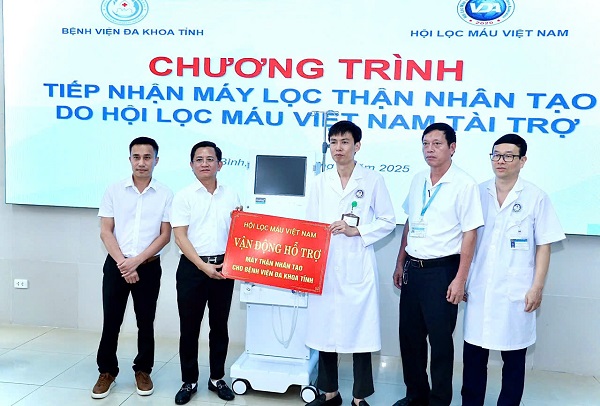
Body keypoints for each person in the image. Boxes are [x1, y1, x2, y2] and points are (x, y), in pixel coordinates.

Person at [461, 133, 565, 406]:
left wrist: (537, 287)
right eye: (496, 155)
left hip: (516, 291)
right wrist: (462, 279)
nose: (501, 161)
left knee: (514, 358)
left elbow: (544, 246)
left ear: (522, 161)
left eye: (509, 156)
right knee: (474, 357)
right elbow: (466, 240)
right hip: (479, 286)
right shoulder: (477, 193)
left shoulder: (535, 197)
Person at [392, 123, 484, 406]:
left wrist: (460, 279)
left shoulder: (465, 184)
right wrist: (400, 261)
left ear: (452, 148)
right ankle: (415, 396)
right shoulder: (418, 179)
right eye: (425, 144)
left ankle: (439, 400)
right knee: (410, 339)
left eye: (437, 144)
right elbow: (411, 221)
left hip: (442, 272)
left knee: (441, 342)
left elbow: (470, 233)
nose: (429, 149)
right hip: (413, 269)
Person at [305, 120, 396, 406]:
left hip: (358, 264)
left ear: (357, 146)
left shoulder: (372, 180)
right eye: (333, 142)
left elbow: (388, 220)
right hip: (326, 266)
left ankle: (359, 397)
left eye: (344, 142)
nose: (338, 148)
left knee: (361, 334)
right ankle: (329, 393)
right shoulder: (320, 182)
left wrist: (357, 230)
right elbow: (309, 226)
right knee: (325, 332)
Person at [92, 137, 173, 399]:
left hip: (148, 267)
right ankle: (107, 372)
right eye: (136, 157)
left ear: (156, 161)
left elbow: (165, 235)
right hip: (116, 264)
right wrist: (124, 264)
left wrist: (136, 262)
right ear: (130, 160)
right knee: (111, 321)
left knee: (145, 322)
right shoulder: (114, 190)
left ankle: (143, 370)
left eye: (147, 157)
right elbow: (106, 231)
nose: (141, 162)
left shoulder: (165, 194)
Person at [171, 141, 242, 405]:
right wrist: (203, 266)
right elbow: (180, 237)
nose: (204, 164)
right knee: (189, 327)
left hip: (224, 268)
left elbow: (239, 233)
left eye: (210, 159)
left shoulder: (232, 195)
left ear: (220, 165)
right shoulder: (184, 196)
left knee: (219, 327)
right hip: (192, 269)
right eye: (199, 160)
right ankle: (189, 381)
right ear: (191, 165)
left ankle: (216, 378)